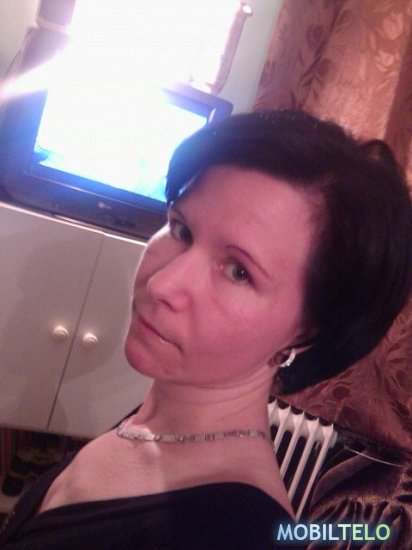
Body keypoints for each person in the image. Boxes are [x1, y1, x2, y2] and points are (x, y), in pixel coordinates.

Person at [1, 110, 411, 549]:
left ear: (307, 329)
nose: (162, 285)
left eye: (238, 271)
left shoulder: (232, 532)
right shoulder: (153, 423)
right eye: (181, 229)